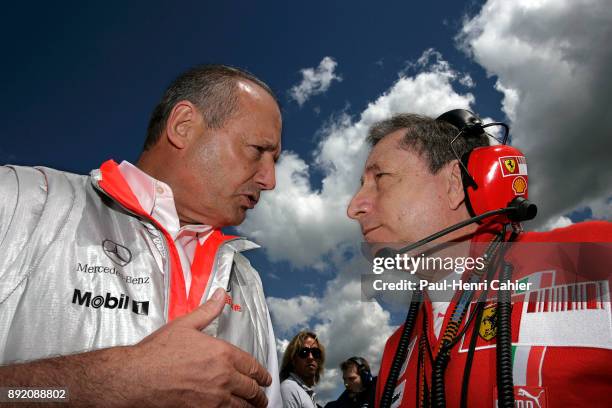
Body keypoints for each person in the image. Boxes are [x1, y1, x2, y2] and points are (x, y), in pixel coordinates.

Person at [0, 64, 283, 407]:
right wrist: (99, 385)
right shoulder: (20, 198)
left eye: (275, 161)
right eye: (257, 150)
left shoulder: (247, 280)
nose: (269, 180)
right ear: (183, 126)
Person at [347, 112, 612, 407]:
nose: (354, 206)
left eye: (379, 178)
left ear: (454, 184)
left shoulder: (596, 258)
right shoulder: (396, 350)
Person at [280, 331, 326, 408]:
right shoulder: (289, 388)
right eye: (304, 352)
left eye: (315, 352)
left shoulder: (305, 393)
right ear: (293, 360)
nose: (311, 357)